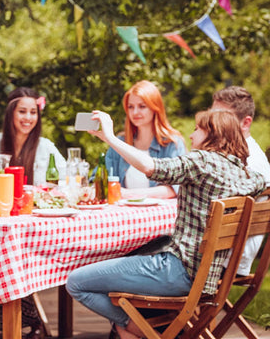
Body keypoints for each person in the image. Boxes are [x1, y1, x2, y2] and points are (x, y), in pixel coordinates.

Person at [66, 109, 266, 339]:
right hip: (209, 278)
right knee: (122, 276)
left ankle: (148, 332)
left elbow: (151, 167)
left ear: (215, 135)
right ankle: (148, 330)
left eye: (196, 129)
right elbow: (262, 182)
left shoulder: (201, 161)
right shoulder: (246, 175)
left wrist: (110, 137)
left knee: (77, 282)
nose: (191, 136)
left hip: (177, 272)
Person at [212, 85, 270, 276]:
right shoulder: (231, 153)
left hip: (222, 261)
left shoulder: (249, 163)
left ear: (245, 123)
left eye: (222, 118)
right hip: (226, 256)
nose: (213, 123)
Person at [105, 80, 186, 199]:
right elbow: (99, 180)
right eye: (130, 107)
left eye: (142, 106)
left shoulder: (172, 143)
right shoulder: (120, 142)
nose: (135, 112)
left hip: (159, 214)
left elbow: (175, 188)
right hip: (122, 214)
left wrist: (130, 195)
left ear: (155, 108)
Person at [0, 87, 66, 188]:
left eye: (33, 112)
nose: (28, 117)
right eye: (22, 111)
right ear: (11, 113)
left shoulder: (46, 147)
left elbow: (67, 179)